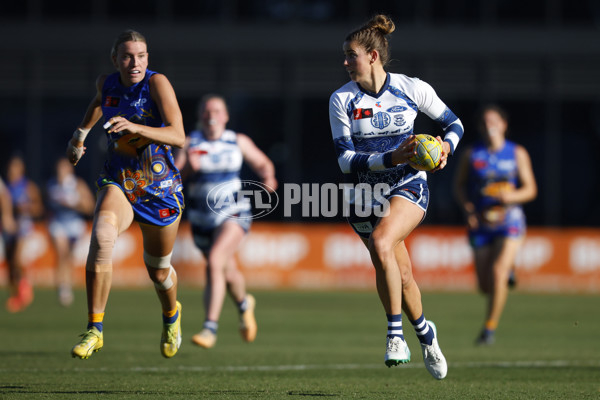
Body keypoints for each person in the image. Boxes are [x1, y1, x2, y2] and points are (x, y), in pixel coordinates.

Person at [329, 14, 465, 380]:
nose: (344, 62)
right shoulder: (341, 100)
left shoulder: (411, 87)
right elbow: (345, 161)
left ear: (372, 55)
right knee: (400, 275)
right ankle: (426, 333)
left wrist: (445, 149)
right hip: (363, 195)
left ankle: (395, 336)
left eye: (350, 55)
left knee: (382, 240)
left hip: (408, 185)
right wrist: (391, 157)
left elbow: (454, 125)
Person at [66, 30, 185, 359]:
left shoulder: (157, 83)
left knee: (159, 271)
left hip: (160, 190)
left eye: (142, 56)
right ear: (115, 59)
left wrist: (136, 128)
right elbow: (99, 102)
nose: (136, 63)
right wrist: (79, 136)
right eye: (129, 56)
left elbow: (179, 136)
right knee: (102, 236)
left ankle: (171, 316)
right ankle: (95, 329)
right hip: (119, 180)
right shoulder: (107, 83)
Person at [175, 94, 277, 349]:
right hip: (201, 219)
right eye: (207, 111)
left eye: (217, 110)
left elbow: (263, 163)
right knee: (227, 272)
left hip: (234, 211)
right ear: (200, 116)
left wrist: (268, 178)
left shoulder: (237, 141)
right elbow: (174, 180)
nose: (212, 115)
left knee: (215, 261)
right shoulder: (189, 142)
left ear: (225, 116)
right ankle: (244, 304)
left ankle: (210, 328)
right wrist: (188, 168)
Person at [453, 104, 537, 345]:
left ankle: (489, 329)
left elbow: (531, 189)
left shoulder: (516, 153)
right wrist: (467, 208)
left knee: (498, 270)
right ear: (481, 127)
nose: (490, 126)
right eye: (485, 122)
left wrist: (512, 197)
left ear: (504, 125)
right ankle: (506, 273)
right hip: (481, 224)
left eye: (494, 121)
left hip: (510, 222)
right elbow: (458, 186)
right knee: (484, 285)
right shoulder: (472, 154)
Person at [46, 157, 95, 306]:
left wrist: (73, 204)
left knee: (69, 257)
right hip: (58, 223)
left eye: (63, 168)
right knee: (61, 253)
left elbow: (90, 207)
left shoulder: (77, 184)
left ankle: (67, 285)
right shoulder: (52, 185)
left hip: (74, 224)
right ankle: (62, 288)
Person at [3, 154, 44, 313]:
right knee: (9, 262)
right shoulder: (5, 186)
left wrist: (26, 208)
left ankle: (25, 289)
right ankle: (15, 293)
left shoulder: (28, 187)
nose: (11, 170)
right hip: (7, 225)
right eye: (10, 167)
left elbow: (39, 208)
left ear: (21, 169)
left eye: (15, 167)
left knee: (17, 258)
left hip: (23, 225)